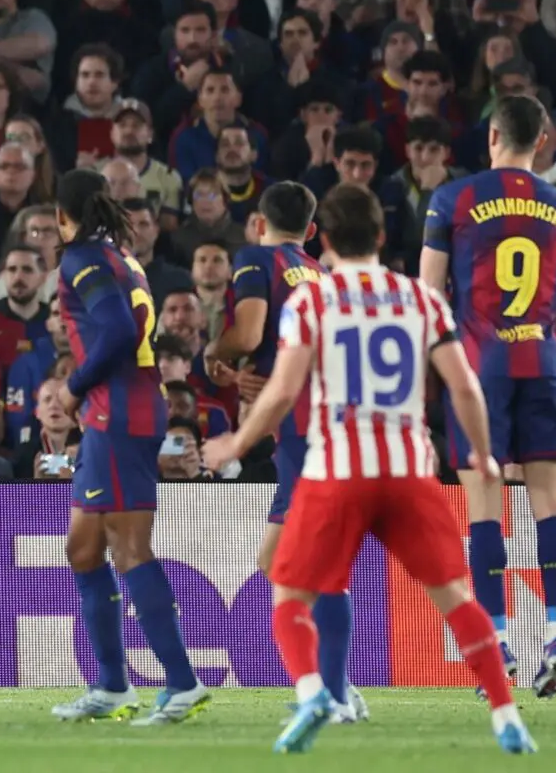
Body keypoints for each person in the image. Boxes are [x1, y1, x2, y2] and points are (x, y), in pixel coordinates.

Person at [203, 184, 537, 755]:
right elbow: (464, 386)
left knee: (289, 592)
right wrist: (483, 453)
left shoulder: (312, 301)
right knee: (457, 597)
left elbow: (283, 391)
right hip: (408, 467)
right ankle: (506, 715)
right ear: (382, 237)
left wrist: (235, 444)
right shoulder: (421, 300)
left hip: (337, 467)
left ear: (324, 240)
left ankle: (315, 690)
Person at [419, 95, 556, 699]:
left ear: (492, 135)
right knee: (550, 504)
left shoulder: (453, 200)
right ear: (542, 139)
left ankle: (499, 641)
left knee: (486, 509)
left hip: (479, 372)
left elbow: (430, 294)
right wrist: (536, 328)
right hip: (544, 366)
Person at [48, 169, 208, 725]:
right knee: (83, 549)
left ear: (61, 214)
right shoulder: (122, 258)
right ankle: (113, 687)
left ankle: (183, 681)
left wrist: (73, 385)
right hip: (120, 408)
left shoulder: (82, 259)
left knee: (129, 548)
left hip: (118, 410)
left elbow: (116, 332)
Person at [203, 182, 364, 722]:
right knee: (279, 562)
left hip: (304, 431)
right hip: (326, 422)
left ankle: (337, 692)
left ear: (257, 224)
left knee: (305, 567)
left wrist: (215, 351)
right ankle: (338, 686)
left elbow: (247, 335)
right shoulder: (322, 274)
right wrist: (270, 382)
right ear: (312, 233)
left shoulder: (257, 259)